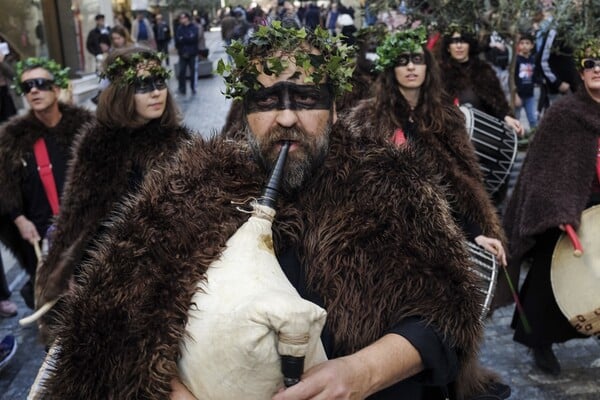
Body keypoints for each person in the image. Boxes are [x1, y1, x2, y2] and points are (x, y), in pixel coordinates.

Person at [37, 22, 489, 399]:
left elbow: (447, 314)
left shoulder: (391, 183)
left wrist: (361, 373)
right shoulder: (190, 188)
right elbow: (111, 325)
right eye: (268, 100)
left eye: (306, 98)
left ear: (333, 107)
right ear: (245, 110)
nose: (287, 118)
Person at [344, 27, 510, 399]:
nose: (410, 68)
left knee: (450, 317)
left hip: (445, 237)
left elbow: (461, 187)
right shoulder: (367, 119)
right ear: (390, 70)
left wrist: (476, 232)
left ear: (428, 66)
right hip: (390, 238)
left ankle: (453, 380)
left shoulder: (445, 117)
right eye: (401, 61)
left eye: (417, 59)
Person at [33, 47, 192, 346]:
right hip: (108, 271)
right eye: (143, 86)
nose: (156, 93)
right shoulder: (99, 143)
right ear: (121, 91)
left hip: (168, 271)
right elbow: (77, 213)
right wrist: (62, 268)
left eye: (159, 82)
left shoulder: (179, 140)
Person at [501, 37, 600, 376]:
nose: (597, 69)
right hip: (569, 205)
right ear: (580, 72)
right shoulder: (564, 114)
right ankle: (537, 340)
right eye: (590, 64)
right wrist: (559, 209)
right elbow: (542, 171)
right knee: (549, 272)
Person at [0, 58, 94, 309]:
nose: (33, 90)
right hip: (40, 237)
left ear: (56, 88)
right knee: (55, 311)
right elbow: (5, 183)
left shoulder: (85, 128)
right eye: (27, 86)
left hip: (85, 233)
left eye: (41, 84)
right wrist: (19, 219)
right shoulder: (13, 137)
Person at [438, 24, 524, 206]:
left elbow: (498, 102)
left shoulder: (484, 70)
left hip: (484, 144)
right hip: (452, 146)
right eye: (454, 42)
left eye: (463, 41)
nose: (459, 46)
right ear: (447, 46)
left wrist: (508, 117)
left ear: (470, 44)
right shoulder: (439, 74)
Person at [514, 33, 538, 133]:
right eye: (522, 43)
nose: (524, 45)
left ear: (532, 45)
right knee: (516, 120)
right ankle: (515, 139)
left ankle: (534, 137)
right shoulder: (516, 60)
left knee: (533, 118)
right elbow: (511, 79)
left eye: (527, 43)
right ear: (518, 45)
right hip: (518, 95)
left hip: (530, 95)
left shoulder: (533, 59)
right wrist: (515, 95)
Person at [174, 12, 199, 95]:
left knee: (192, 71)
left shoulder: (194, 27)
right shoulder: (179, 28)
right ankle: (182, 88)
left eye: (183, 18)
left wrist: (183, 38)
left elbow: (193, 39)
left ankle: (193, 88)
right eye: (180, 18)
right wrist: (186, 38)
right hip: (182, 53)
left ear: (187, 18)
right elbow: (177, 40)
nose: (182, 20)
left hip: (192, 53)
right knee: (182, 71)